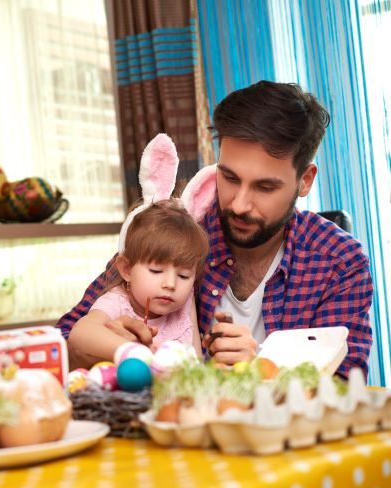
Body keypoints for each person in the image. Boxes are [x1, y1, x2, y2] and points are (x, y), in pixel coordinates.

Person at [57, 81, 374, 379]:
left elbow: (345, 387)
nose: (239, 204)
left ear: (305, 180)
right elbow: (60, 345)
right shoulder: (174, 233)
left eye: (264, 187)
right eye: (230, 178)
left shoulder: (338, 260)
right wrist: (110, 344)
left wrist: (264, 368)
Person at [69, 200, 208, 360]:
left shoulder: (184, 303)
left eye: (183, 276)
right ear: (127, 270)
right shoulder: (117, 301)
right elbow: (80, 332)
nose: (170, 284)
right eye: (156, 271)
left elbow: (197, 360)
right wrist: (133, 352)